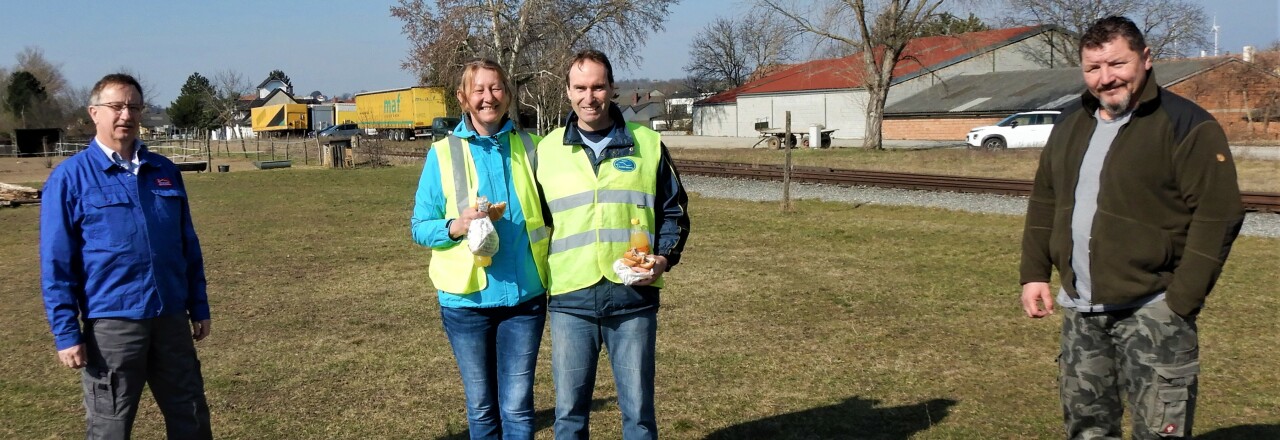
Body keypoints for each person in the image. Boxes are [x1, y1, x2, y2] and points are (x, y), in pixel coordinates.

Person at [1018, 17, 1244, 440]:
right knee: (1087, 428)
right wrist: (1034, 273)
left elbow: (1220, 215)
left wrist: (1180, 300)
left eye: (1116, 64)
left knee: (1160, 431)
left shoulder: (1187, 125)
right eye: (1093, 68)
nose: (1105, 79)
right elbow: (1045, 200)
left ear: (1145, 58)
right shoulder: (1071, 121)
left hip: (1153, 310)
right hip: (1081, 312)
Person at [40, 73, 213, 439]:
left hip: (170, 318)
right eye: (116, 106)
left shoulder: (164, 171)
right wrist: (66, 331)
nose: (126, 115)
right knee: (110, 426)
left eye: (134, 107)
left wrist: (198, 306)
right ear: (94, 113)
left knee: (191, 416)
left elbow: (187, 245)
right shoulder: (70, 178)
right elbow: (57, 262)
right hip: (113, 325)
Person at [536, 49, 690, 440]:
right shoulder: (547, 150)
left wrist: (664, 258)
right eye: (581, 87)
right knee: (569, 416)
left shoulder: (648, 143)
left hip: (632, 299)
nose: (590, 97)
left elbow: (673, 210)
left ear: (612, 89)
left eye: (598, 87)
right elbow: (534, 222)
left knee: (638, 414)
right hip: (571, 297)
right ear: (568, 91)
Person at [410, 58, 549, 440]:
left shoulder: (532, 148)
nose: (489, 97)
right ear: (463, 98)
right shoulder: (441, 153)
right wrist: (456, 226)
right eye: (479, 89)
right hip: (466, 303)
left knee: (519, 408)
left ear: (508, 93)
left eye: (496, 88)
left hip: (526, 298)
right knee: (482, 407)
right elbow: (419, 228)